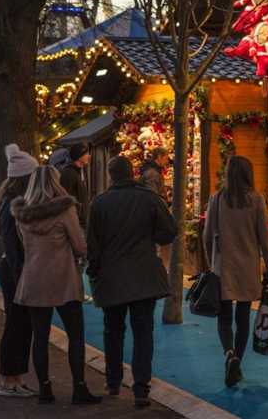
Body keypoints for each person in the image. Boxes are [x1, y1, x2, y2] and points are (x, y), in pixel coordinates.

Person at [87, 156, 177, 408]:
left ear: (110, 175)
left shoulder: (100, 203)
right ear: (132, 173)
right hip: (143, 274)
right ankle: (141, 388)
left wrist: (94, 272)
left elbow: (92, 245)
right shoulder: (148, 199)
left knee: (112, 330)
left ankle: (113, 381)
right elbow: (169, 231)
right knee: (143, 332)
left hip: (112, 276)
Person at [11, 166, 100, 405]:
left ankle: (45, 390)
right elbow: (80, 247)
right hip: (63, 282)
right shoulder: (64, 210)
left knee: (39, 337)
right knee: (76, 336)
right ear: (55, 182)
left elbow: (23, 245)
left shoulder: (22, 214)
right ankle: (79, 388)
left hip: (33, 281)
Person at [203, 156, 268, 388]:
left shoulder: (216, 199)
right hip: (247, 265)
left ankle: (229, 354)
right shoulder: (256, 200)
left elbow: (207, 234)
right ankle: (238, 361)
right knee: (242, 318)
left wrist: (209, 260)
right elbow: (265, 237)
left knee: (224, 318)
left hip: (222, 265)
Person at [0, 144, 37, 398]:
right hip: (15, 272)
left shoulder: (7, 202)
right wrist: (23, 277)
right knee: (17, 325)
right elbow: (13, 246)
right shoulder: (13, 205)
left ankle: (14, 379)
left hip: (12, 270)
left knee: (19, 324)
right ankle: (9, 380)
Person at [58, 143, 91, 229]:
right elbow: (65, 197)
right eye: (86, 154)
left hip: (81, 221)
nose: (89, 156)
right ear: (79, 156)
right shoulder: (68, 173)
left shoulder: (80, 172)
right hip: (75, 223)